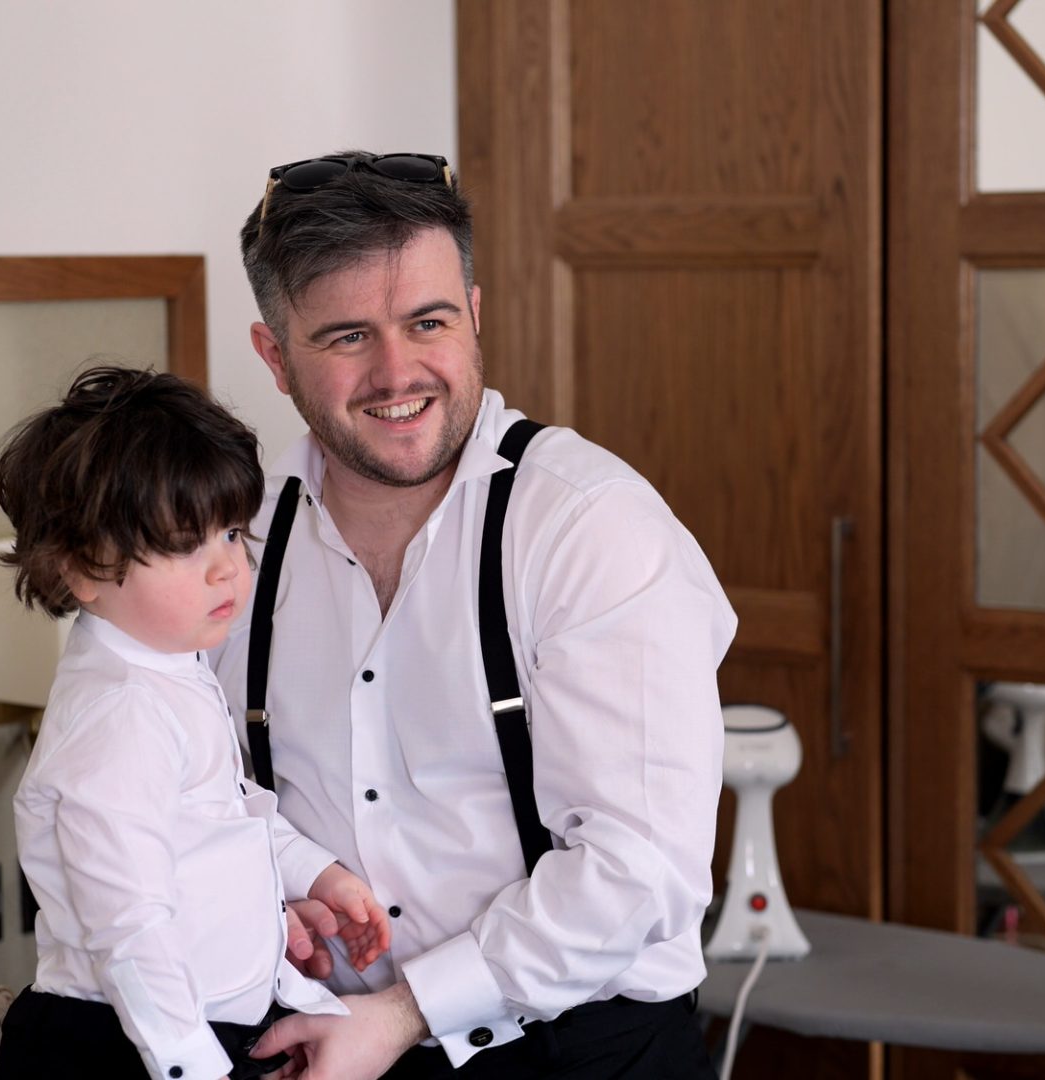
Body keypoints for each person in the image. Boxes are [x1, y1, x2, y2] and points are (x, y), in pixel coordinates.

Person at [212, 152, 735, 1079]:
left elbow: (636, 872)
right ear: (274, 356)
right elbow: (200, 799)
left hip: (583, 1050)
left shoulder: (588, 525)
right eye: (345, 338)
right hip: (319, 1043)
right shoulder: (234, 542)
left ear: (475, 315)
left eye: (429, 321)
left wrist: (405, 1014)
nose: (396, 371)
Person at [0, 366, 392, 1080]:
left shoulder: (170, 665)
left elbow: (225, 812)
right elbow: (130, 925)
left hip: (203, 1018)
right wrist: (192, 1066)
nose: (226, 570)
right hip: (126, 1038)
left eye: (232, 533)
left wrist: (314, 872)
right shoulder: (119, 715)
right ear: (84, 568)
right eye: (184, 545)